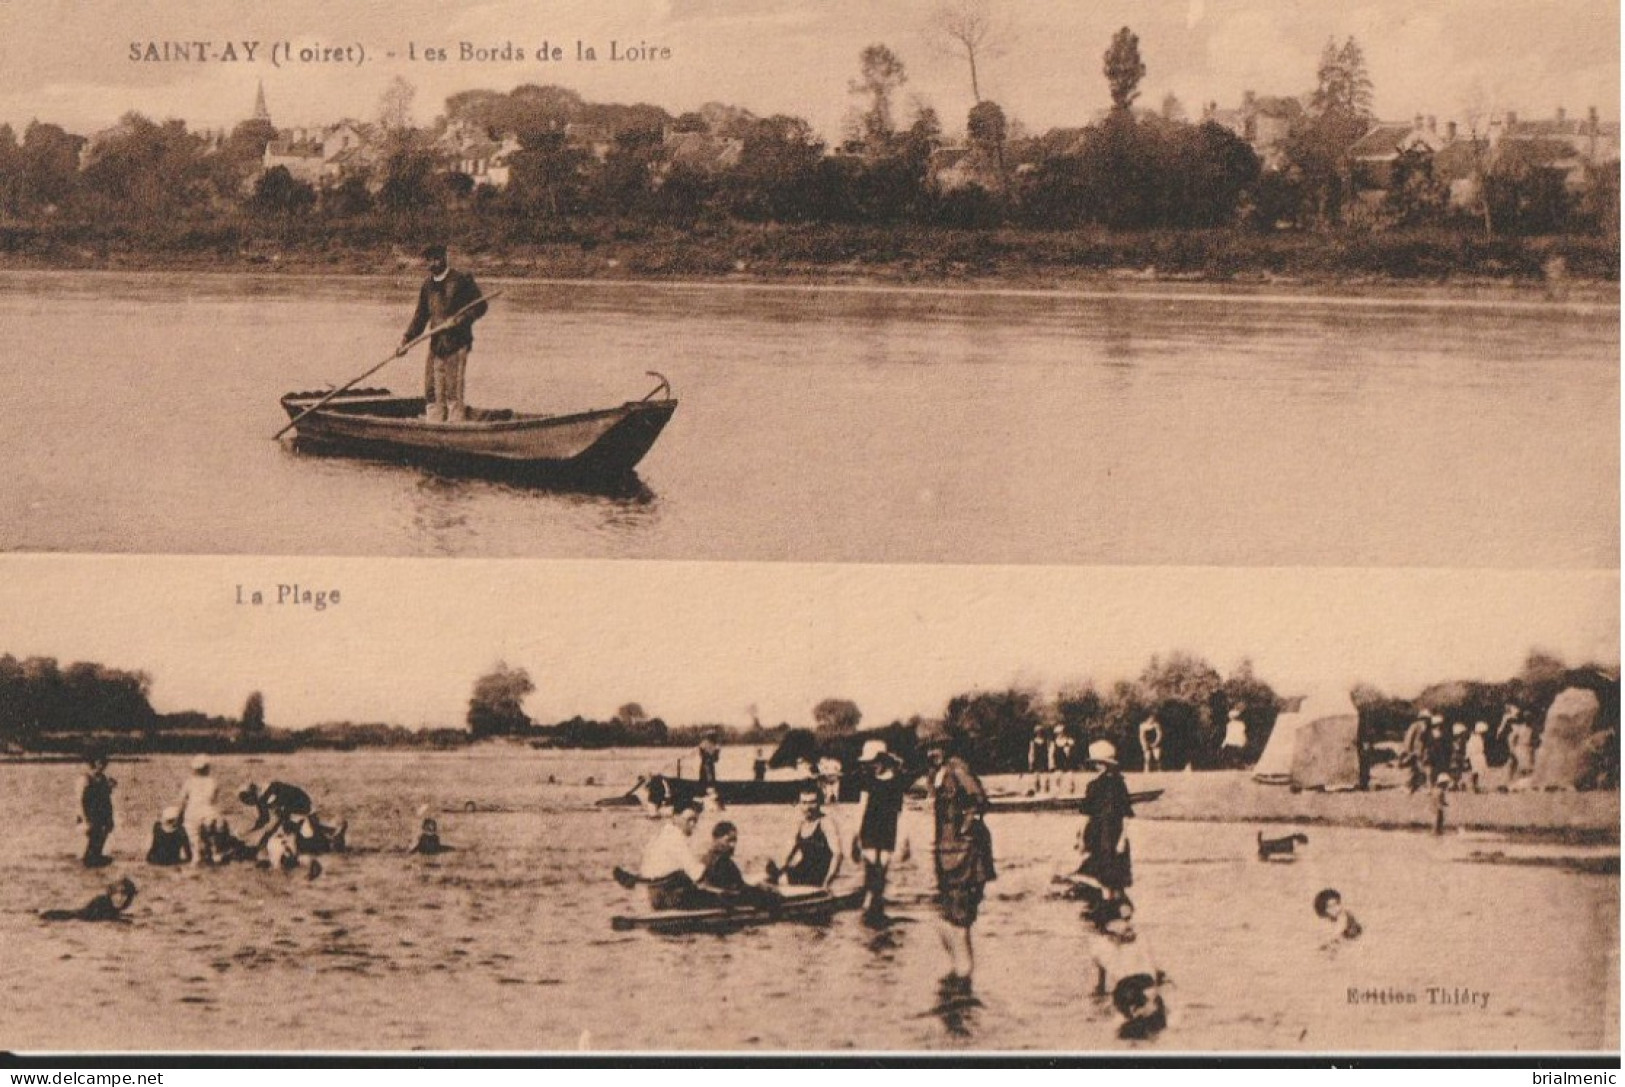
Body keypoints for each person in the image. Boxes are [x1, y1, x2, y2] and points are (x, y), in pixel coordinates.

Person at [926, 722, 995, 993]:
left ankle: (964, 976)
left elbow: (980, 801)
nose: (932, 753)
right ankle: (958, 971)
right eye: (928, 748)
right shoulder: (939, 773)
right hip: (947, 853)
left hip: (965, 854)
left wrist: (965, 831)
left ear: (946, 747)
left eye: (936, 747)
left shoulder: (958, 768)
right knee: (945, 915)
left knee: (960, 915)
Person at [397, 244, 488, 422]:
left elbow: (481, 306)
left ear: (444, 258)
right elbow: (420, 317)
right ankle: (434, 422)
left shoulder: (461, 280)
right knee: (432, 389)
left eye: (437, 258)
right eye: (430, 260)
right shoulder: (427, 286)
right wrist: (405, 340)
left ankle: (455, 424)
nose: (434, 263)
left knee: (453, 390)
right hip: (437, 343)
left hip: (457, 343)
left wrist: (461, 319)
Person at [850, 740, 909, 923]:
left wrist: (905, 840)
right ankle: (869, 901)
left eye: (873, 762)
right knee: (870, 865)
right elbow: (862, 807)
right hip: (868, 827)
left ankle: (877, 902)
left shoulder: (897, 780)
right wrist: (854, 836)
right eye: (869, 763)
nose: (871, 766)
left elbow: (901, 811)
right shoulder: (867, 779)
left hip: (888, 829)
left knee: (882, 867)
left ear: (883, 760)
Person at [1078, 740, 1135, 898]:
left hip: (1108, 836)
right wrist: (1081, 838)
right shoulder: (1103, 785)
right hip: (1104, 836)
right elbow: (1086, 815)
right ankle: (1111, 906)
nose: (1099, 766)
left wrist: (1122, 839)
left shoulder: (1110, 785)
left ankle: (1109, 906)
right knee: (1109, 880)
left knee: (1111, 879)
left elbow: (1125, 816)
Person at [638, 799, 709, 910]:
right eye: (689, 820)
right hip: (667, 897)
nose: (693, 825)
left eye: (695, 820)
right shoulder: (675, 839)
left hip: (654, 895)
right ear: (675, 817)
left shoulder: (664, 834)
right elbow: (696, 874)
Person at [767, 789, 842, 890]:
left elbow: (837, 854)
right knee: (768, 879)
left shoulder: (826, 822)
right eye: (804, 803)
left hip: (819, 873)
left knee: (782, 881)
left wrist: (828, 881)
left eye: (812, 802)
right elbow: (789, 852)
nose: (808, 807)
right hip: (804, 869)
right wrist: (780, 870)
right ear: (800, 804)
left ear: (819, 803)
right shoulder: (801, 824)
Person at [699, 822, 780, 909]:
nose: (733, 845)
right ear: (716, 839)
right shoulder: (721, 862)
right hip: (726, 900)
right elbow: (736, 889)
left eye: (734, 840)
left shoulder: (707, 858)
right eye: (729, 840)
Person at [177, 755, 220, 867]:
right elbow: (213, 799)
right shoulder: (213, 782)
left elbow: (182, 800)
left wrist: (179, 814)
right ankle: (213, 856)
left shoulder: (189, 782)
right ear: (207, 768)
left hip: (192, 811)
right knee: (210, 837)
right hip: (208, 811)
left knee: (194, 839)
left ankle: (196, 858)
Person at [77, 753, 116, 868]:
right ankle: (90, 859)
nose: (102, 766)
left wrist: (109, 788)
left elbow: (105, 798)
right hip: (91, 814)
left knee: (102, 836)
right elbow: (81, 800)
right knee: (94, 837)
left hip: (102, 813)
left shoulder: (102, 778)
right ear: (93, 763)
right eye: (100, 763)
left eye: (104, 763)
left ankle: (95, 857)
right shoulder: (86, 779)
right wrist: (84, 818)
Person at [42, 878, 137, 923]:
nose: (122, 899)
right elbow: (106, 917)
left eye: (126, 895)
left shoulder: (107, 903)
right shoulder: (102, 902)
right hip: (65, 917)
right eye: (118, 894)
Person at [1401, 712, 1430, 793]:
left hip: (1421, 752)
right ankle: (1408, 786)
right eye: (1424, 718)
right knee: (1411, 770)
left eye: (1427, 718)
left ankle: (1420, 785)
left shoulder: (1426, 727)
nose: (1425, 720)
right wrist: (1408, 750)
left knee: (1421, 769)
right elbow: (1409, 738)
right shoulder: (1414, 726)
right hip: (1413, 751)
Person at [1465, 722, 1491, 793]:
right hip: (1475, 757)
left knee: (1481, 772)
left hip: (1480, 756)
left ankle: (1478, 786)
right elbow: (1469, 748)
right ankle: (1475, 786)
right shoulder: (1473, 738)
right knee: (1476, 772)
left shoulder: (1479, 738)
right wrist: (1468, 757)